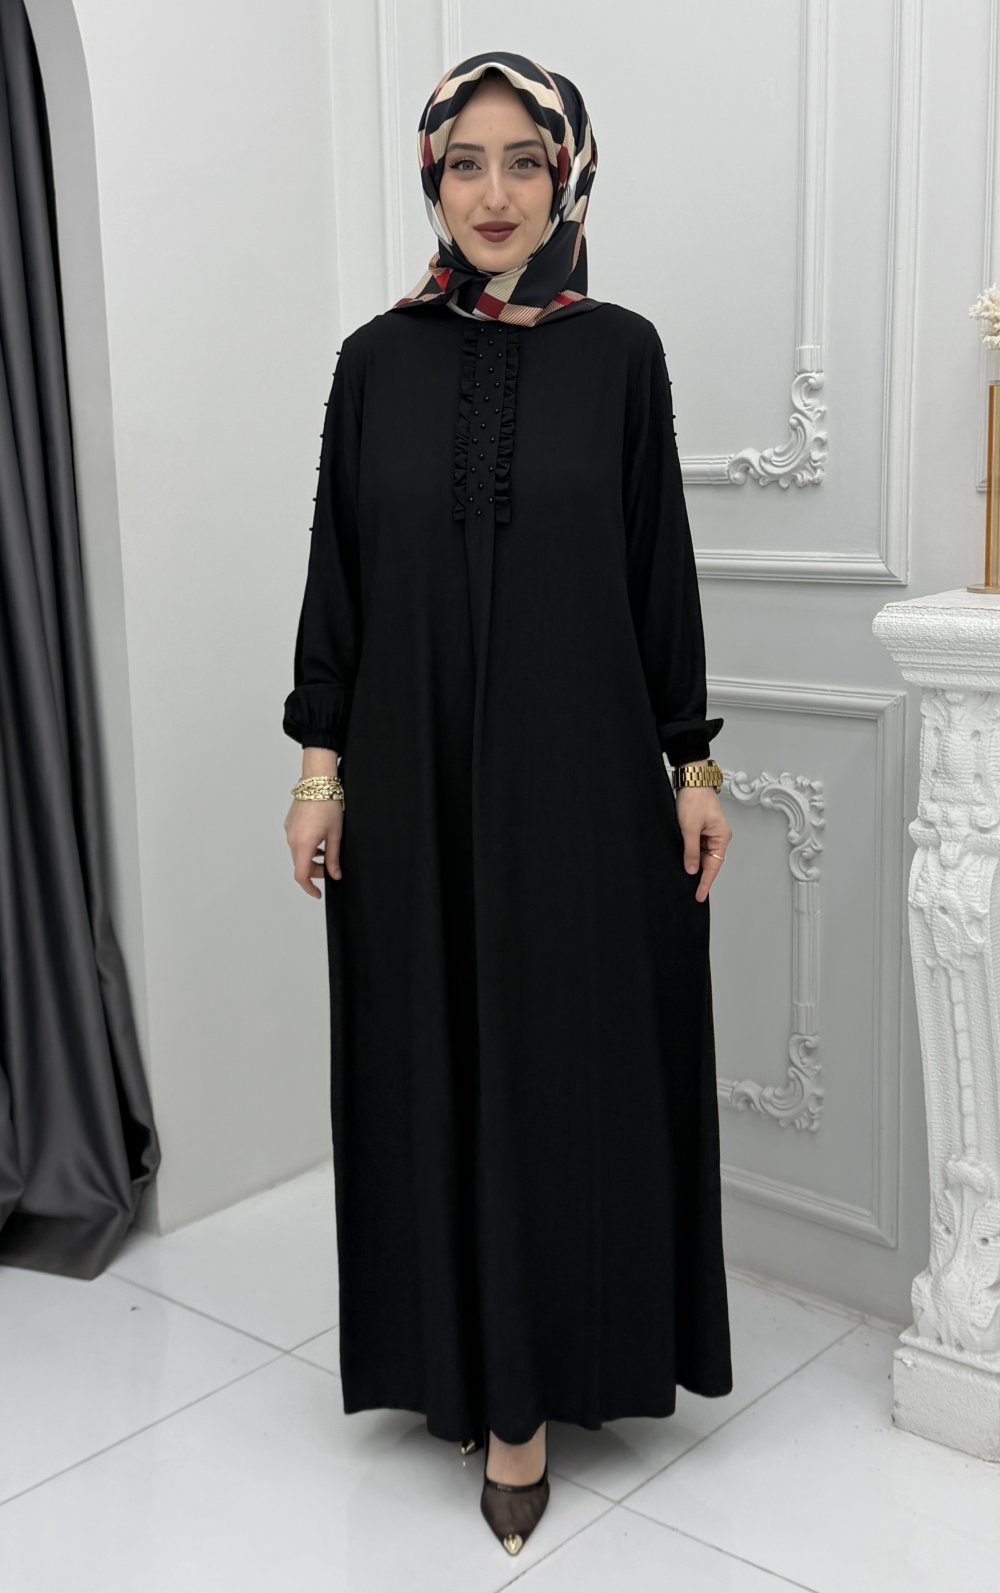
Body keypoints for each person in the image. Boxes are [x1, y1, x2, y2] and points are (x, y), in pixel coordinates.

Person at [282, 48, 734, 1556]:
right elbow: (338, 573)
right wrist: (319, 769)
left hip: (577, 785)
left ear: (567, 177)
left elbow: (657, 568)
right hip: (410, 782)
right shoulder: (374, 362)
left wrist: (692, 763)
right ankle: (457, 1365)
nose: (493, 193)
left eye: (523, 162)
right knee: (433, 1052)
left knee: (559, 1063)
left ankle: (539, 1390)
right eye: (465, 163)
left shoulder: (623, 357)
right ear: (433, 179)